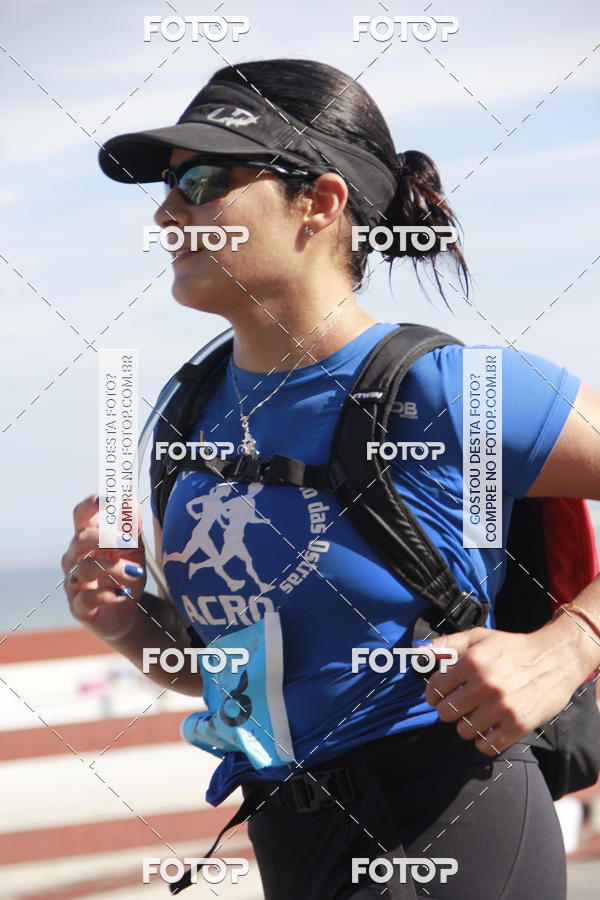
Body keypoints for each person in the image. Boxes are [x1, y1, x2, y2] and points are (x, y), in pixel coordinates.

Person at [61, 59, 600, 898]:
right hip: (289, 834)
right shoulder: (188, 408)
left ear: (320, 201)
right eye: (165, 187)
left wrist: (568, 646)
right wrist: (128, 626)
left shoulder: (444, 389)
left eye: (203, 180)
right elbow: (245, 673)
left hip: (452, 823)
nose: (169, 212)